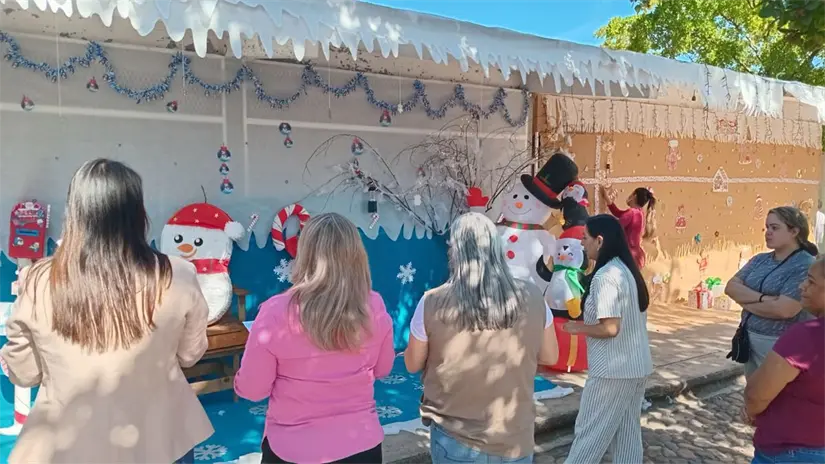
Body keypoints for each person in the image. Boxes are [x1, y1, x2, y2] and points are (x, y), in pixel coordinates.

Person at [0, 159, 212, 464]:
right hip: (162, 438)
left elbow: (24, 372)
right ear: (138, 214)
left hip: (67, 445)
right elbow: (191, 354)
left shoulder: (37, 280)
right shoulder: (177, 274)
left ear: (75, 214)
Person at [234, 212, 394, 464]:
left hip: (293, 450)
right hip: (362, 447)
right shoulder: (374, 304)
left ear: (305, 254)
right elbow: (384, 369)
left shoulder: (276, 312)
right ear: (356, 256)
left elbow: (252, 390)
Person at [404, 212, 559, 464]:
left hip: (454, 437)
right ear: (497, 248)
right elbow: (550, 355)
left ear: (455, 251)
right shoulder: (533, 295)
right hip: (514, 436)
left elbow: (412, 363)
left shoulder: (431, 301)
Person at [561, 214, 653, 464]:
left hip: (612, 371)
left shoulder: (606, 277)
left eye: (585, 238)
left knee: (589, 434)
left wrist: (577, 328)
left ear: (599, 241)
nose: (582, 244)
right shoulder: (625, 270)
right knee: (626, 435)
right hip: (635, 367)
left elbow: (611, 327)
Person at [744, 258, 825, 463]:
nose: (802, 286)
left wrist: (751, 412)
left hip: (791, 451)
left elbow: (756, 395)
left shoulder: (806, 337)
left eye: (811, 281)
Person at [724, 206, 817, 377]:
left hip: (781, 344)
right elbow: (730, 287)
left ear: (794, 231)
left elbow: (784, 309)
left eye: (775, 228)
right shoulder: (760, 260)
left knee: (773, 396)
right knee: (752, 392)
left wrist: (744, 300)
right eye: (767, 227)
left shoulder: (805, 265)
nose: (768, 232)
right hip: (748, 338)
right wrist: (765, 299)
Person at [600, 186, 656, 268]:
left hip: (628, 256)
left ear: (634, 196)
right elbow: (618, 213)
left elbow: (615, 227)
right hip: (635, 256)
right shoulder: (639, 212)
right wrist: (607, 198)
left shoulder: (632, 213)